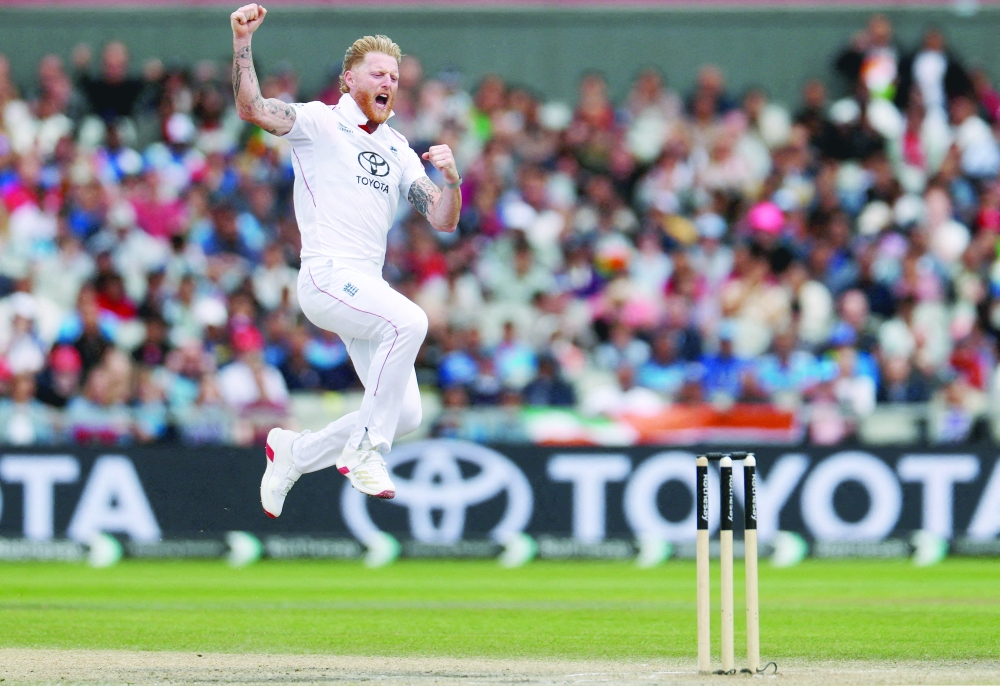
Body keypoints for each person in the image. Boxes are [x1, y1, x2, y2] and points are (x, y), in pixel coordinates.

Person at [229, 4, 461, 514]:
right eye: (378, 73)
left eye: (395, 77)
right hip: (326, 275)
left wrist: (453, 181)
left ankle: (295, 452)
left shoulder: (399, 147)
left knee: (405, 415)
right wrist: (242, 43)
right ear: (348, 78)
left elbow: (443, 219)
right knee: (411, 321)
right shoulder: (318, 121)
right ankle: (366, 451)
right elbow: (253, 109)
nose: (389, 82)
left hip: (364, 290)